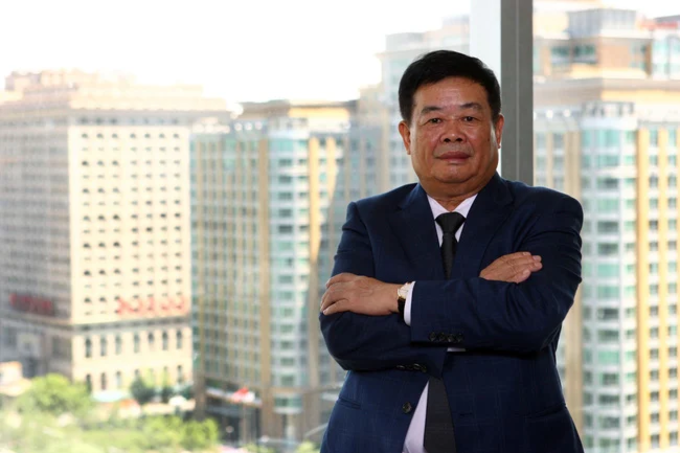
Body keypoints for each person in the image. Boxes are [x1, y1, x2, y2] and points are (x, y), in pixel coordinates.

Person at [318, 50, 584, 453]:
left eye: (469, 118)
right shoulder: (371, 218)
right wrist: (480, 293)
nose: (453, 134)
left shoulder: (546, 212)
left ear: (497, 129)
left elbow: (530, 320)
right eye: (435, 120)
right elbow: (346, 337)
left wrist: (396, 297)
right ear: (407, 136)